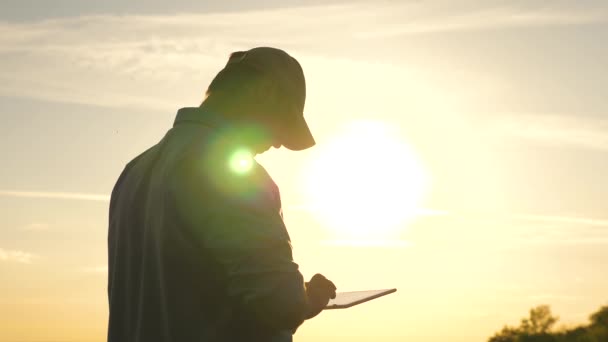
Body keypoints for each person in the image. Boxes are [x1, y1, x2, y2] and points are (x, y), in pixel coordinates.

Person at [107, 47, 336, 342]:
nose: (278, 143)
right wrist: (310, 298)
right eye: (284, 125)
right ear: (264, 93)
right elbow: (283, 304)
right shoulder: (234, 176)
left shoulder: (133, 174)